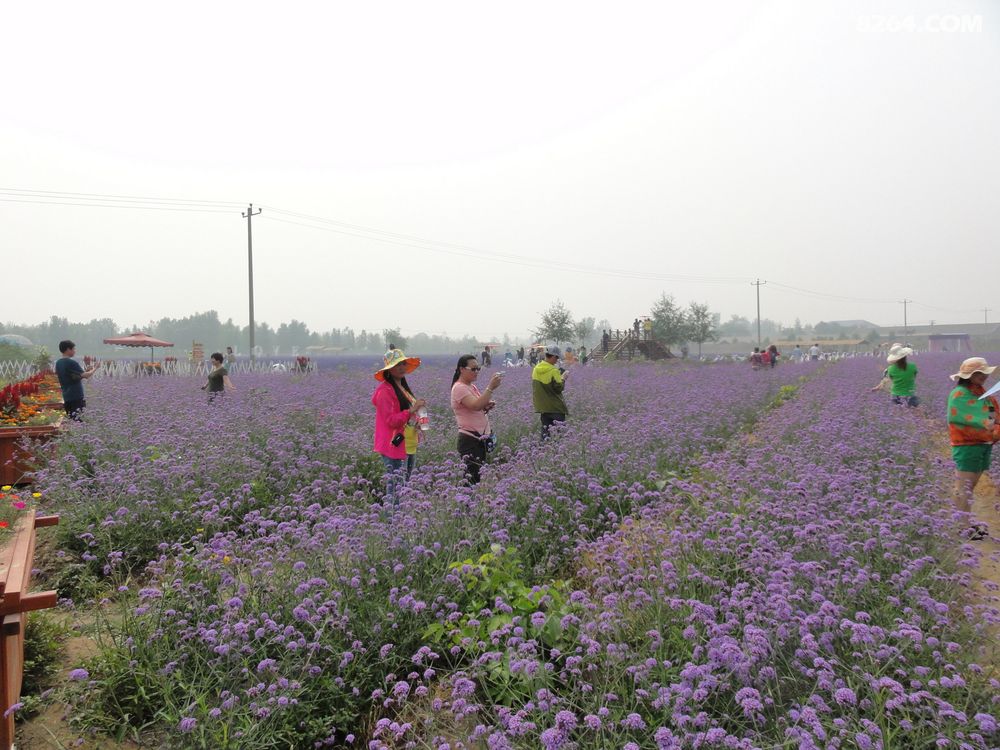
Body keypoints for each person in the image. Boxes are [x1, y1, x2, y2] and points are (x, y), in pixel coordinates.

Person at [946, 357, 1000, 539]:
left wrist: (994, 427)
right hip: (967, 445)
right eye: (978, 373)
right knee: (964, 487)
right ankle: (961, 527)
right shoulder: (959, 394)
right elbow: (964, 417)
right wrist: (992, 425)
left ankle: (965, 522)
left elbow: (992, 414)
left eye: (984, 373)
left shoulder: (981, 392)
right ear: (967, 375)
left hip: (983, 444)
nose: (983, 376)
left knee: (971, 486)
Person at [372, 349, 426, 509]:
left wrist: (416, 421)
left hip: (409, 443)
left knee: (404, 487)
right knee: (396, 489)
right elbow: (391, 421)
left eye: (403, 363)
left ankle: (400, 518)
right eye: (397, 365)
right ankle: (391, 520)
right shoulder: (384, 391)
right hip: (394, 445)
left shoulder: (402, 387)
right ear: (389, 369)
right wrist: (411, 410)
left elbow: (405, 415)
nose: (402, 367)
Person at [451, 355, 503, 484]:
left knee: (476, 478)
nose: (476, 372)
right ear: (462, 369)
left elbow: (478, 404)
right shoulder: (459, 388)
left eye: (478, 369)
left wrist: (486, 405)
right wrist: (490, 387)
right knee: (471, 480)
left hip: (479, 439)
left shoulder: (471, 386)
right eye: (473, 369)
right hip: (470, 440)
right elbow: (475, 405)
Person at [54, 340, 98, 421]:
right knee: (79, 421)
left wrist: (86, 370)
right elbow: (86, 376)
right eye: (73, 349)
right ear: (68, 349)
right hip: (76, 396)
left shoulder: (58, 363)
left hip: (66, 396)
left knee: (72, 420)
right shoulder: (71, 362)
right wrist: (95, 368)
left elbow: (71, 377)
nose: (75, 351)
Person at [532, 345, 569, 439]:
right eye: (557, 358)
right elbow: (559, 388)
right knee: (560, 436)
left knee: (545, 435)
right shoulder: (554, 371)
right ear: (553, 356)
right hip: (555, 408)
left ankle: (542, 448)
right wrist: (563, 378)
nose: (557, 360)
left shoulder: (536, 369)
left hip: (543, 408)